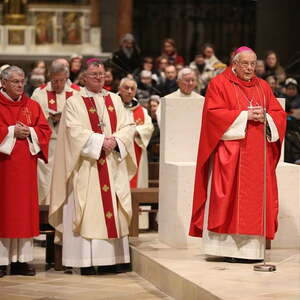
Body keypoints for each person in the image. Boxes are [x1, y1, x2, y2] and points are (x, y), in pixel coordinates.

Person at [189, 46, 286, 262]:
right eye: (245, 64)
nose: (250, 68)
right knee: (228, 200)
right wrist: (245, 116)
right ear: (235, 63)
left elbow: (279, 114)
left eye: (253, 64)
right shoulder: (219, 84)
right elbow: (213, 115)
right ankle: (225, 251)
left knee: (254, 203)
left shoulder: (262, 87)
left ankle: (250, 252)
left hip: (257, 157)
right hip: (230, 154)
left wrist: (266, 117)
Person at [49, 59, 136, 275]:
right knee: (86, 208)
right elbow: (72, 131)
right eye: (94, 74)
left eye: (102, 74)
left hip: (111, 164)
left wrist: (115, 141)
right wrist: (99, 142)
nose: (99, 77)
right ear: (83, 77)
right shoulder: (74, 102)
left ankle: (112, 260)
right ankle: (86, 262)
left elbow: (128, 126)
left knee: (112, 210)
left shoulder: (115, 100)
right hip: (87, 167)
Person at [0, 66, 51, 277]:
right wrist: (12, 131)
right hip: (4, 169)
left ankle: (22, 261)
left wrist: (29, 131)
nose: (20, 85)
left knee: (23, 213)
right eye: (15, 82)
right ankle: (1, 261)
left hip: (26, 169)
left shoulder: (32, 105)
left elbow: (44, 130)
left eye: (22, 81)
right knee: (4, 213)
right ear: (3, 83)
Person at [31, 62, 81, 205]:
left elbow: (83, 119)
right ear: (49, 76)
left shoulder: (77, 92)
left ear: (67, 77)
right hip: (48, 145)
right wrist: (49, 118)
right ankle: (44, 215)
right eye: (54, 81)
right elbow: (32, 117)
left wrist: (64, 117)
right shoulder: (39, 93)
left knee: (67, 180)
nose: (58, 84)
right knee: (46, 181)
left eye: (61, 80)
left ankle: (67, 218)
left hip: (69, 145)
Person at [118, 78, 154, 188]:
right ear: (119, 89)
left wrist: (136, 131)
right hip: (117, 152)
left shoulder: (142, 111)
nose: (129, 91)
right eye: (126, 88)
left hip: (135, 148)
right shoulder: (110, 106)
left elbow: (149, 127)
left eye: (132, 89)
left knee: (135, 184)